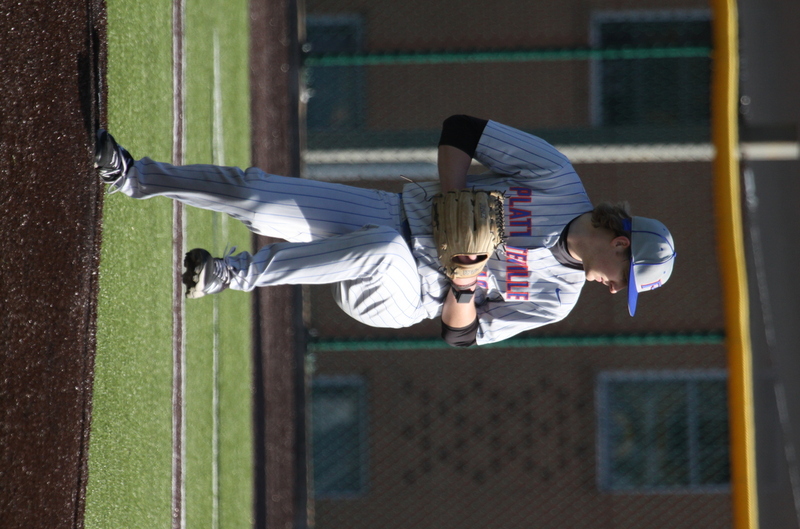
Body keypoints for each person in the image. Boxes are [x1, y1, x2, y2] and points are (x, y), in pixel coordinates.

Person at [95, 115, 676, 347]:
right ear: (620, 243)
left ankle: (229, 274)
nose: (611, 289)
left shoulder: (556, 301)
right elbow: (463, 129)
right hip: (388, 211)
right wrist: (453, 196)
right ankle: (130, 175)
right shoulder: (556, 177)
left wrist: (465, 286)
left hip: (406, 293)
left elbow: (460, 338)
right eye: (623, 279)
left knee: (378, 253)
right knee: (254, 193)